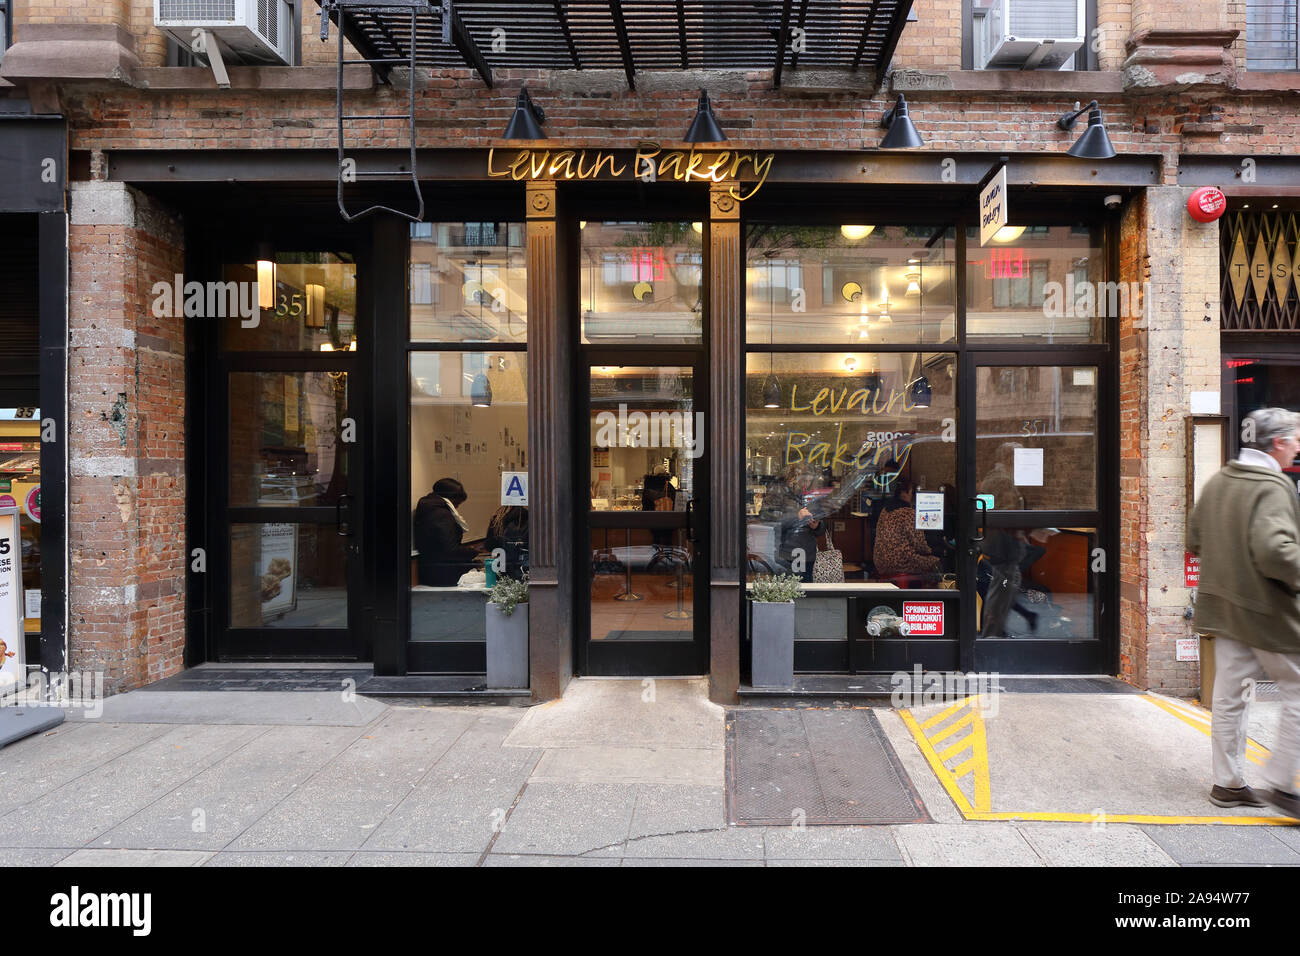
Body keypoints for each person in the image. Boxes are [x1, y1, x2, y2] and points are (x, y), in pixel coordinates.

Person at [1187, 407, 1300, 816]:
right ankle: (1283, 785)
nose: (1297, 446)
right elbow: (1275, 552)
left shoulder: (1220, 480)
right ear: (1277, 442)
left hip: (1224, 609)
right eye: (1295, 438)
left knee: (1229, 697)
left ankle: (1228, 784)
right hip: (1267, 614)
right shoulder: (1272, 486)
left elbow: (1194, 537)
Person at [760, 464, 826, 583]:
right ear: (792, 478)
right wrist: (796, 517)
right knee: (785, 594)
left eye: (810, 478)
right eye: (803, 477)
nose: (807, 482)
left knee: (805, 595)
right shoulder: (778, 493)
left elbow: (822, 528)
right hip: (785, 555)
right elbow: (767, 518)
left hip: (807, 556)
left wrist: (817, 526)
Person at [873, 476, 942, 582]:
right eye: (911, 493)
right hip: (902, 561)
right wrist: (931, 550)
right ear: (904, 493)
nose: (912, 496)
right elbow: (919, 544)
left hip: (880, 562)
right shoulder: (908, 513)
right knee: (936, 561)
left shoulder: (885, 511)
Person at [413, 477, 479, 586]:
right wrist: (472, 551)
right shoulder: (441, 514)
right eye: (457, 503)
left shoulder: (429, 508)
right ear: (451, 498)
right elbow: (449, 549)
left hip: (430, 571)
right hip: (443, 573)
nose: (457, 507)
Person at [485, 505, 529, 580]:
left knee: (503, 589)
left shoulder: (498, 519)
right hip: (523, 565)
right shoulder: (530, 518)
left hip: (502, 565)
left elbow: (490, 545)